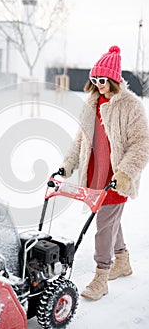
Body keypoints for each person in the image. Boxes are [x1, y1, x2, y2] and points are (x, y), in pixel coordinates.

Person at [59, 46, 149, 301]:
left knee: (103, 226)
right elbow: (80, 140)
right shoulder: (92, 103)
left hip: (117, 179)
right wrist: (68, 163)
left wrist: (125, 172)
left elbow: (142, 143)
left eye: (103, 80)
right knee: (110, 221)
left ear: (115, 80)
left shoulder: (130, 106)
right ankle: (122, 260)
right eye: (95, 79)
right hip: (96, 177)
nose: (98, 85)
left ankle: (101, 275)